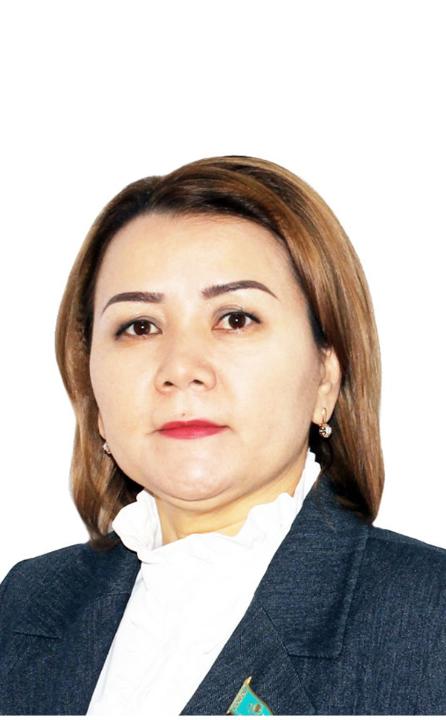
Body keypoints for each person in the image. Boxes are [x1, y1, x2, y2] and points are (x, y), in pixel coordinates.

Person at [0, 155, 445, 716]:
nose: (181, 368)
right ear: (93, 391)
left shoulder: (429, 618)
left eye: (235, 319)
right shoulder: (26, 605)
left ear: (325, 376)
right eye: (139, 326)